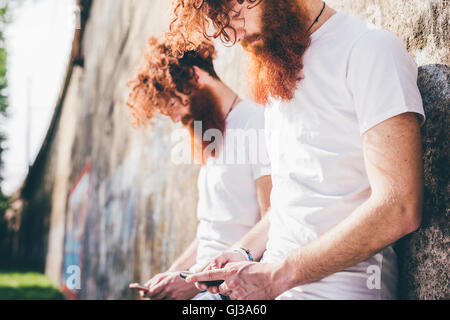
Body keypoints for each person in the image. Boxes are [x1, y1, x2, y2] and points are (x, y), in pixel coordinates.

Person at [171, 0, 426, 299]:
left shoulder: (369, 50)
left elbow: (400, 208)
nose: (238, 36)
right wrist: (243, 253)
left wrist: (279, 276)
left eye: (238, 16)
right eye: (227, 31)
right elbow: (287, 205)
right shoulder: (279, 73)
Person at [126, 36, 272, 300]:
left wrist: (192, 282)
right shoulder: (212, 136)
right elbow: (210, 234)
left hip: (229, 289)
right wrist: (168, 278)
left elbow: (273, 221)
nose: (174, 117)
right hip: (201, 284)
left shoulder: (255, 124)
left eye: (172, 104)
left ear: (195, 77)